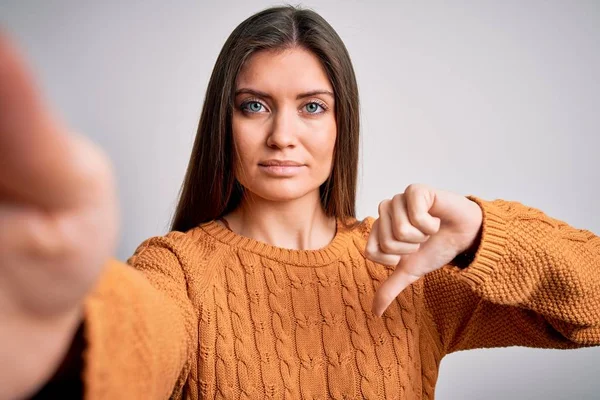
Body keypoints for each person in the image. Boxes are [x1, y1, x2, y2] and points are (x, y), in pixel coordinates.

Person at [1, 5, 599, 400]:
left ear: (342, 124)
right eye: (254, 105)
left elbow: (591, 307)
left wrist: (478, 231)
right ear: (224, 122)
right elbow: (138, 341)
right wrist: (62, 329)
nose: (282, 134)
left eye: (312, 106)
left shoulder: (411, 271)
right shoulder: (179, 271)